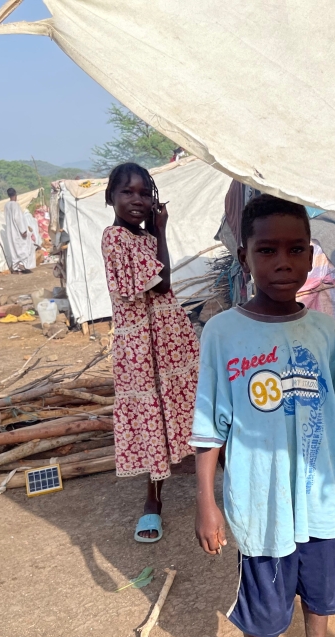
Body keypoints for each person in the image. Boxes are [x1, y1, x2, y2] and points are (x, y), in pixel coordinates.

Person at [192, 195, 335, 637]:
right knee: (262, 606)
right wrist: (206, 500)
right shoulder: (222, 333)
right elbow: (208, 426)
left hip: (316, 498)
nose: (283, 262)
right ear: (244, 256)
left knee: (320, 596)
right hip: (260, 500)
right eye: (267, 250)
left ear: (311, 255)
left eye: (296, 250)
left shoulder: (321, 331)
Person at [102, 163, 199, 543]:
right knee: (149, 419)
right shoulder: (115, 238)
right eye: (127, 192)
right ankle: (152, 502)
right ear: (110, 197)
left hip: (169, 338)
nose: (137, 200)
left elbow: (162, 281)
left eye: (145, 193)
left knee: (184, 405)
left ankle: (209, 474)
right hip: (140, 346)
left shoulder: (145, 239)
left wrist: (157, 234)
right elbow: (161, 285)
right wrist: (161, 231)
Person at [3, 187, 34, 274]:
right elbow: (18, 218)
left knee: (14, 249)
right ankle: (22, 266)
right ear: (15, 195)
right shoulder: (15, 205)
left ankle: (16, 267)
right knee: (22, 248)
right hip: (17, 231)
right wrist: (23, 230)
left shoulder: (6, 205)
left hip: (10, 231)